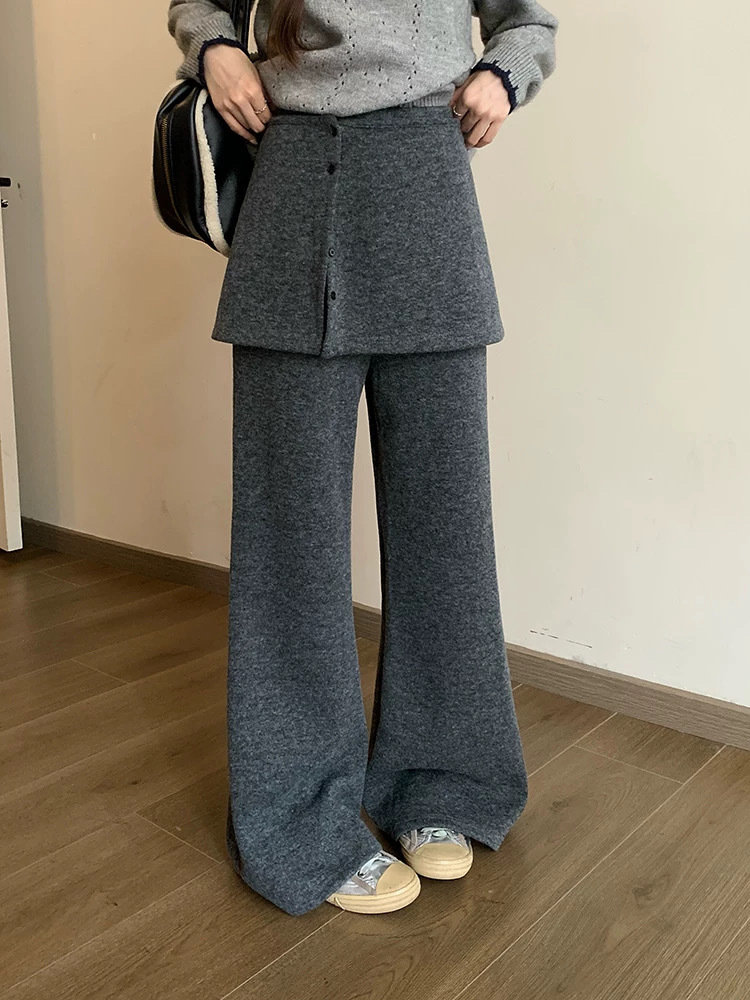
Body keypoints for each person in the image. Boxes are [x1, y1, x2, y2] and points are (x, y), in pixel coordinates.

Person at [166, 0, 558, 917]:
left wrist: (503, 76)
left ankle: (442, 778)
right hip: (293, 182)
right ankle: (299, 815)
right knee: (290, 539)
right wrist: (214, 48)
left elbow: (528, 23)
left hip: (426, 182)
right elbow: (196, 3)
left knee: (445, 527)